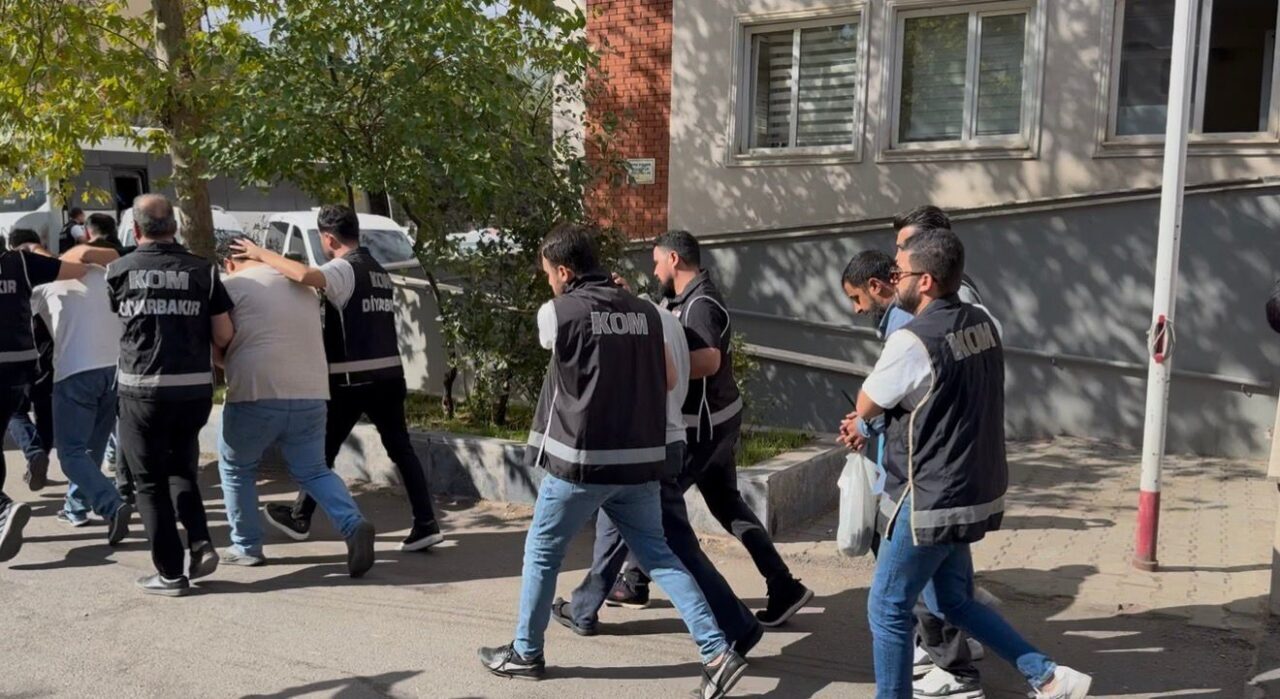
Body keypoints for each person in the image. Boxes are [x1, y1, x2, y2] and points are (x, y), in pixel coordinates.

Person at [477, 224, 748, 699]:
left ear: (565, 272)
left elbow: (560, 350)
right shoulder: (645, 311)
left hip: (581, 463)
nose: (549, 282)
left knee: (542, 552)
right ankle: (716, 652)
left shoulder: (558, 313)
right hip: (640, 462)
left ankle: (526, 652)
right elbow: (669, 378)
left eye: (549, 274)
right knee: (661, 557)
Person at [838, 228, 1090, 699]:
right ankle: (1049, 677)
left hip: (927, 496)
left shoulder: (912, 340)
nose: (893, 279)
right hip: (972, 488)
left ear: (926, 280)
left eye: (899, 272)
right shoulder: (983, 322)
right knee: (953, 600)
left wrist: (863, 420)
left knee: (887, 607)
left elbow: (868, 402)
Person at [609, 230, 812, 628]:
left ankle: (634, 581)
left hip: (703, 429)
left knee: (655, 501)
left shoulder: (701, 303)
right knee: (728, 506)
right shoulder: (680, 299)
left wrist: (658, 365)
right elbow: (664, 325)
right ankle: (783, 584)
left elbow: (708, 362)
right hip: (715, 423)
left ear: (674, 259)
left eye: (656, 261)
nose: (654, 269)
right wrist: (632, 300)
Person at [552, 286, 764, 656]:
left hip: (645, 446)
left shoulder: (633, 326)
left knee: (676, 547)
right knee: (614, 529)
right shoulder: (664, 318)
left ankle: (737, 627)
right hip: (664, 441)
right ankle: (584, 608)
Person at [230, 205, 444, 552]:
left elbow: (304, 275)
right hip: (389, 376)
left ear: (328, 238)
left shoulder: (344, 269)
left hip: (352, 380)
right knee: (400, 449)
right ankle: (426, 523)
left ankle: (300, 517)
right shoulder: (377, 270)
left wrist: (259, 254)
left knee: (320, 454)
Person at [843, 249, 987, 698]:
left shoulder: (912, 331)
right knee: (947, 591)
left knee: (891, 602)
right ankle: (1040, 672)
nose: (857, 310)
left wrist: (863, 422)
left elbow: (886, 401)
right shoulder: (967, 320)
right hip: (939, 479)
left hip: (921, 483)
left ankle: (957, 668)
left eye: (857, 298)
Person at [214, 236, 375, 575]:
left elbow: (223, 340)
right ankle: (352, 522)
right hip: (312, 393)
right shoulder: (301, 286)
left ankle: (246, 546)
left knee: (237, 468)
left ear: (228, 263)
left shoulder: (230, 286)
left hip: (255, 392)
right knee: (313, 470)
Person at [106, 194, 235, 596]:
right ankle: (200, 541)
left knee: (149, 484)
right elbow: (224, 333)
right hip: (194, 391)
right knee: (182, 470)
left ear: (136, 229)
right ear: (175, 227)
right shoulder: (204, 271)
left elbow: (115, 324)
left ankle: (170, 574)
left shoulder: (118, 270)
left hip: (141, 391)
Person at [28, 242, 133, 544]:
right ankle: (76, 506)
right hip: (116, 370)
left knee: (71, 453)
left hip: (75, 373)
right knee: (93, 448)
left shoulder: (42, 286)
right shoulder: (101, 272)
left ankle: (111, 504)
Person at [1, 229, 90, 562]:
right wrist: (42, 252)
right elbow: (76, 270)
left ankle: (3, 509)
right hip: (20, 363)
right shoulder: (21, 262)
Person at [4, 230, 55, 495]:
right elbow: (61, 266)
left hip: (21, 355)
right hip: (41, 357)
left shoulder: (21, 271)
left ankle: (35, 452)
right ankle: (39, 457)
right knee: (43, 411)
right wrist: (36, 250)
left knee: (16, 411)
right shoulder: (36, 272)